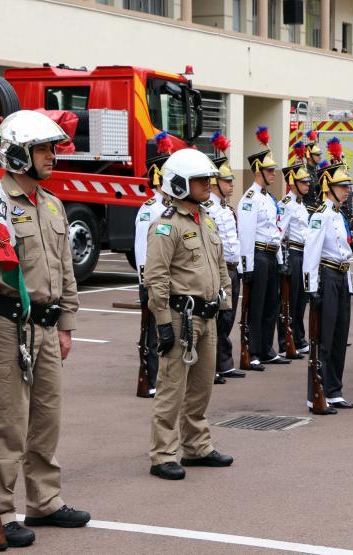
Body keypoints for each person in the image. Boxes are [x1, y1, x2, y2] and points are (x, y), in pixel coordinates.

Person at [0, 110, 90, 547]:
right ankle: (2, 511)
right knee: (8, 423)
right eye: (43, 149)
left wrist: (66, 323)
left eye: (51, 148)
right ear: (19, 153)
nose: (52, 156)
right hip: (8, 327)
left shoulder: (52, 204)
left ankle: (44, 501)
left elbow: (66, 271)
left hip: (46, 329)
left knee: (47, 419)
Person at [143, 148, 233, 480]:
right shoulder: (166, 226)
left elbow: (221, 266)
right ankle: (163, 453)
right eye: (200, 180)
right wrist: (163, 324)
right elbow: (156, 278)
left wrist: (225, 307)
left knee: (201, 387)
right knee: (171, 387)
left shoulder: (205, 219)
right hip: (182, 318)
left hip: (207, 316)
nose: (208, 184)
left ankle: (196, 447)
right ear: (180, 184)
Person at [303, 164, 353, 410]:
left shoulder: (338, 214)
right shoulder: (320, 215)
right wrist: (311, 288)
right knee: (322, 340)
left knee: (339, 337)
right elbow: (311, 254)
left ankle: (334, 390)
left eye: (347, 186)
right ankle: (316, 394)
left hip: (341, 277)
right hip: (326, 277)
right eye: (342, 186)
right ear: (328, 187)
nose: (346, 191)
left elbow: (344, 254)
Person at [237, 144, 292, 369]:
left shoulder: (269, 198)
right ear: (258, 170)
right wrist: (247, 266)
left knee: (272, 304)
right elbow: (247, 235)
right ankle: (253, 351)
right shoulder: (249, 198)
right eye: (269, 170)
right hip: (257, 255)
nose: (273, 174)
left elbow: (275, 231)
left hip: (270, 255)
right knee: (257, 306)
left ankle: (267, 349)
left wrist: (280, 260)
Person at [205, 158, 244, 382]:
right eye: (227, 181)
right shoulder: (208, 209)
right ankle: (211, 366)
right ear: (214, 183)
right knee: (217, 319)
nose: (231, 185)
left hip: (232, 269)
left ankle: (224, 363)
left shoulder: (227, 209)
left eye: (231, 181)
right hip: (218, 271)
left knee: (228, 317)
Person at [134, 160, 170, 397]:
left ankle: (160, 377)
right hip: (150, 280)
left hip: (164, 279)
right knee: (150, 334)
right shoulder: (149, 209)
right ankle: (148, 378)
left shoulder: (167, 207)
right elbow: (141, 247)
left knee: (163, 331)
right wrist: (146, 280)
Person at [277, 163, 314, 358]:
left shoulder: (301, 204)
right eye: (303, 182)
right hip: (291, 253)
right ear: (293, 184)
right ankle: (285, 342)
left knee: (301, 300)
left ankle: (299, 338)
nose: (307, 185)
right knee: (288, 301)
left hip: (303, 254)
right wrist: (282, 260)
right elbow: (280, 233)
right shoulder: (286, 204)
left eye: (308, 182)